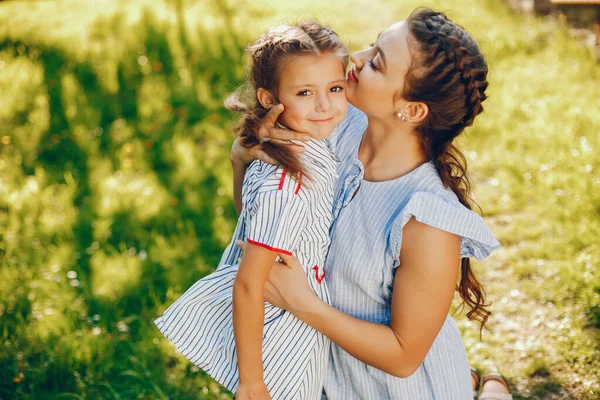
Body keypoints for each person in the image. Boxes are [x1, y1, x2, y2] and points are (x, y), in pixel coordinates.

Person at [231, 8, 501, 399]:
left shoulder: (427, 218)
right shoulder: (331, 125)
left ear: (411, 110)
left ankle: (487, 386)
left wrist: (301, 301)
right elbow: (267, 224)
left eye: (376, 62)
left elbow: (404, 356)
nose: (355, 58)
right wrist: (242, 158)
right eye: (373, 43)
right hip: (319, 380)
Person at [154, 21, 349, 400]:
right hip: (282, 338)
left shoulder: (299, 145)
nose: (325, 105)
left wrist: (238, 165)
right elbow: (248, 284)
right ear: (268, 98)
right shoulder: (287, 182)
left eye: (335, 88)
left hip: (300, 322)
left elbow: (250, 216)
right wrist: (252, 381)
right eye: (305, 92)